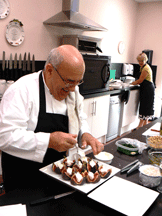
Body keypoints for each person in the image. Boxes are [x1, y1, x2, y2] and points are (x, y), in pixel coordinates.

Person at [0, 45, 104, 192]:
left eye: (78, 82)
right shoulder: (22, 90)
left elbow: (79, 116)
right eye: (69, 81)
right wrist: (49, 141)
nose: (73, 89)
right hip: (24, 179)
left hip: (60, 175)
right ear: (49, 71)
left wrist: (85, 133)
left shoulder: (72, 89)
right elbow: (4, 136)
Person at [131, 52, 155, 129]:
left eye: (142, 61)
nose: (140, 62)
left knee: (145, 107)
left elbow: (140, 80)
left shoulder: (145, 68)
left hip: (148, 89)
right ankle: (144, 126)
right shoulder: (143, 67)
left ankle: (140, 126)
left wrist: (131, 83)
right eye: (139, 61)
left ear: (145, 60)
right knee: (146, 107)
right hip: (147, 88)